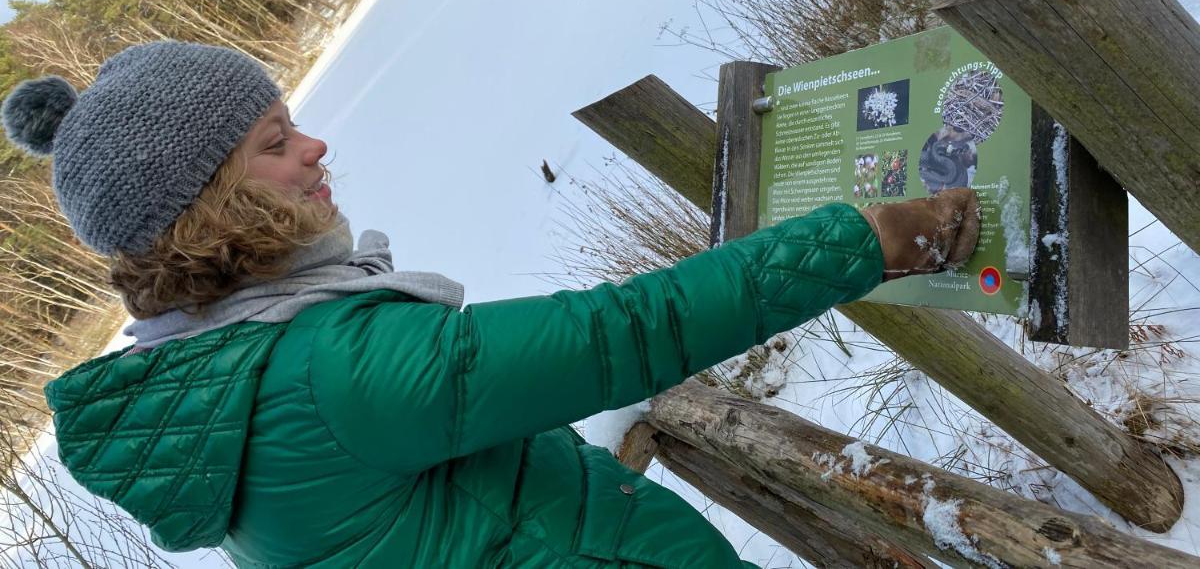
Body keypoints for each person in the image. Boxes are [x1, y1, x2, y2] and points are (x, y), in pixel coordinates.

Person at [2, 40, 980, 568]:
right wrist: (865, 241)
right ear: (208, 208)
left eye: (294, 124)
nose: (314, 150)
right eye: (273, 142)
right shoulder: (330, 372)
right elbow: (620, 336)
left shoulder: (213, 382)